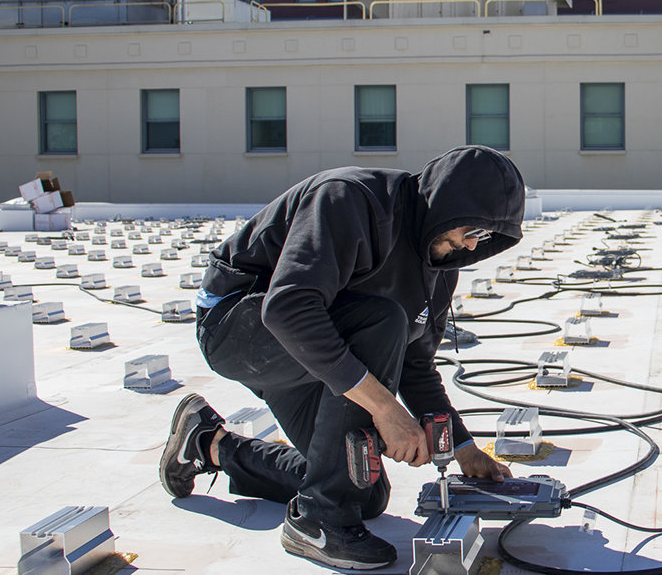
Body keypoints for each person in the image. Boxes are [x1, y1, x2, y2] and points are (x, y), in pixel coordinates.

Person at [159, 145, 525, 570]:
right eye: (470, 228)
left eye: (481, 238)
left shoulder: (439, 265)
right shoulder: (351, 198)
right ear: (445, 201)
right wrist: (386, 410)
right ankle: (318, 523)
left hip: (316, 352)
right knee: (384, 320)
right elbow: (288, 308)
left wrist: (464, 449)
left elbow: (417, 364)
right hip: (238, 327)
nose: (468, 244)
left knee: (363, 493)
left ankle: (209, 445)